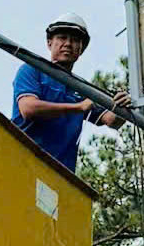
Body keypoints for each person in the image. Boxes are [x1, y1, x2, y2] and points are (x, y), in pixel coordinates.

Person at [9, 12, 131, 172]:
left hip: (60, 174)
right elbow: (28, 108)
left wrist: (123, 105)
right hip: (21, 162)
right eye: (62, 38)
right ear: (49, 43)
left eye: (74, 40)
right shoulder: (32, 69)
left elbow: (112, 120)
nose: (68, 44)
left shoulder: (82, 89)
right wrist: (78, 107)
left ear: (81, 49)